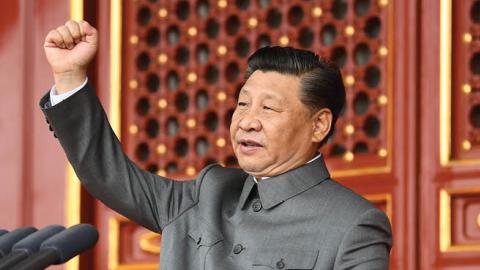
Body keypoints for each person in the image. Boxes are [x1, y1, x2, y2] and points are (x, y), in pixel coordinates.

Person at [41, 20, 392, 270]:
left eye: (268, 108)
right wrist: (70, 77)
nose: (247, 120)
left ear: (319, 125)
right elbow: (107, 173)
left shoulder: (353, 224)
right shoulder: (207, 191)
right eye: (243, 103)